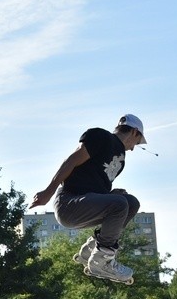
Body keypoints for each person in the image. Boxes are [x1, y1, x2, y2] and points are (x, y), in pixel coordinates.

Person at [29, 114, 148, 284]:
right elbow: (71, 161)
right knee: (120, 204)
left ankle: (91, 250)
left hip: (85, 204)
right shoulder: (101, 136)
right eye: (136, 143)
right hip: (68, 202)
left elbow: (91, 185)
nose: (133, 149)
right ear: (134, 132)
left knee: (130, 203)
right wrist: (49, 191)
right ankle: (102, 260)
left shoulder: (120, 160)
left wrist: (110, 195)